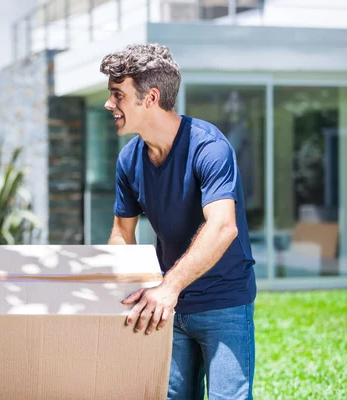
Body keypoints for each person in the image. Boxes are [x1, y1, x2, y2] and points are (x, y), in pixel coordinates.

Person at [101, 44, 256, 399]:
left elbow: (222, 226)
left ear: (150, 97)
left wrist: (168, 288)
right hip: (165, 307)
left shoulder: (209, 147)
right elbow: (122, 232)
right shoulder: (130, 159)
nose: (110, 105)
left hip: (223, 302)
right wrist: (122, 291)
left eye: (117, 95)